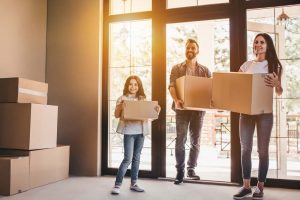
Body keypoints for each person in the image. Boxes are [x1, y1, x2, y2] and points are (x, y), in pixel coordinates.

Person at [233, 33, 283, 199]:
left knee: (263, 151)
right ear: (253, 45)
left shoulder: (274, 65)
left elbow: (280, 91)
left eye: (262, 42)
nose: (259, 45)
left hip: (264, 114)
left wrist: (277, 84)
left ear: (267, 45)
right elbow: (236, 86)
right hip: (246, 112)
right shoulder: (246, 65)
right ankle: (246, 186)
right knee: (245, 149)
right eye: (256, 42)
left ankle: (260, 187)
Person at [168, 38, 211, 184]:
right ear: (185, 50)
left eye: (193, 48)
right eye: (188, 48)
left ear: (197, 50)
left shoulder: (205, 70)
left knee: (195, 141)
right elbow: (172, 86)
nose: (190, 50)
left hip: (198, 111)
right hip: (182, 109)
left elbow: (210, 89)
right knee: (180, 140)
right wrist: (176, 100)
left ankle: (191, 169)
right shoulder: (176, 68)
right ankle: (180, 171)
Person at [111, 75, 160, 195]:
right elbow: (116, 115)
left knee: (136, 158)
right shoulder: (122, 98)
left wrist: (156, 111)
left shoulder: (142, 99)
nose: (133, 87)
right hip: (129, 131)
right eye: (131, 84)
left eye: (136, 84)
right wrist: (120, 106)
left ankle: (134, 183)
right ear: (127, 85)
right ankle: (117, 185)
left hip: (141, 131)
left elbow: (149, 118)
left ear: (139, 86)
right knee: (127, 159)